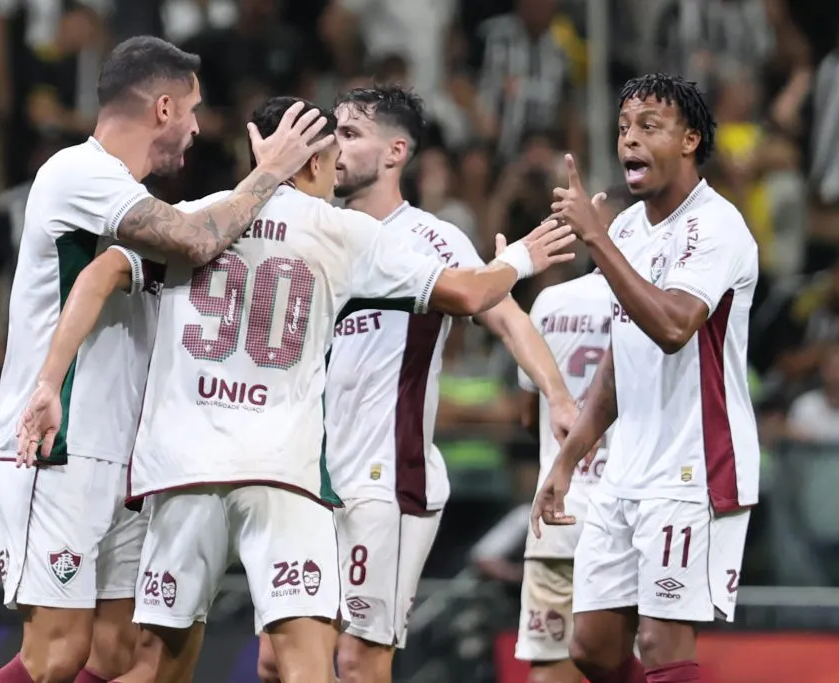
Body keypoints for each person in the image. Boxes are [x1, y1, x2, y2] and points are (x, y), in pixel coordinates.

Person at [16, 95, 576, 683]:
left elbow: (99, 272)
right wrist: (520, 257)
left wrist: (50, 380)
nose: (337, 168)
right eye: (332, 153)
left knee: (158, 668)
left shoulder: (197, 217)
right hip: (283, 472)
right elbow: (468, 295)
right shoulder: (344, 232)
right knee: (308, 666)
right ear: (305, 160)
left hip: (183, 471)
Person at [0, 36, 335, 683]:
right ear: (164, 107)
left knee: (114, 656)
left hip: (122, 458)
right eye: (194, 111)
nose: (199, 128)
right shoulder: (78, 174)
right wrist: (272, 171)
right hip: (54, 445)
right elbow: (197, 239)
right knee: (56, 654)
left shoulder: (134, 204)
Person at [258, 84, 580, 683]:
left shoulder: (432, 239)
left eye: (351, 134)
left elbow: (508, 319)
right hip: (304, 476)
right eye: (333, 132)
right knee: (278, 660)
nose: (335, 145)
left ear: (395, 151)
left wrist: (557, 396)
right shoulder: (315, 228)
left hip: (385, 478)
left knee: (357, 662)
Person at [532, 73, 760, 683]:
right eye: (624, 128)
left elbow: (674, 326)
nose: (629, 140)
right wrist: (571, 456)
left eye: (649, 127)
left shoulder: (717, 226)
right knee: (594, 648)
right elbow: (621, 355)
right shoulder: (630, 229)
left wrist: (596, 239)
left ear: (689, 140)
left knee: (660, 644)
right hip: (626, 466)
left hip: (694, 465)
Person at [514, 267, 614, 683]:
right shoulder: (661, 304)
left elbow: (525, 413)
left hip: (557, 512)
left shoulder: (551, 301)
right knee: (627, 661)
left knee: (550, 662)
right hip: (625, 516)